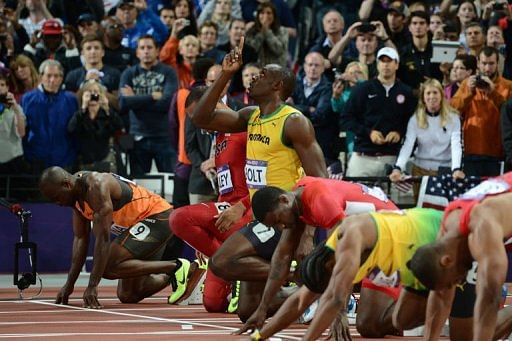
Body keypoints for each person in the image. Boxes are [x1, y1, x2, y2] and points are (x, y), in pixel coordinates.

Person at [190, 37, 327, 321]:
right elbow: (201, 119)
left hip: (286, 216)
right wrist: (226, 74)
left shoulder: (294, 121)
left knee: (222, 261)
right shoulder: (250, 116)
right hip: (260, 215)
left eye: (262, 75)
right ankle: (307, 288)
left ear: (277, 86)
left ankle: (312, 283)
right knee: (248, 311)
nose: (252, 78)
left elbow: (321, 181)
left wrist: (308, 234)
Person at [236, 175, 399, 333]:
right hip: (371, 240)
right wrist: (262, 309)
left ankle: (419, 307)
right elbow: (281, 258)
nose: (281, 227)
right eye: (275, 225)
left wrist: (339, 310)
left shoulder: (320, 199)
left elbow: (343, 255)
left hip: (392, 235)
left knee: (370, 324)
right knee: (368, 326)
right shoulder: (296, 202)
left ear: (284, 200)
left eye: (278, 219)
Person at [300, 208, 475, 341]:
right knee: (399, 321)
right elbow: (318, 297)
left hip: (449, 252)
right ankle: (456, 312)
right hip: (417, 256)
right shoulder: (339, 249)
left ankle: (488, 311)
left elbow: (334, 298)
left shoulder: (351, 237)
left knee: (465, 337)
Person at [39, 166, 195, 309]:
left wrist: (93, 286)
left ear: (67, 185)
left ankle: (176, 266)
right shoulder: (75, 199)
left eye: (56, 198)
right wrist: (69, 284)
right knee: (129, 295)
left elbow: (103, 240)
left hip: (157, 217)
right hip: (138, 230)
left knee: (107, 266)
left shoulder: (96, 186)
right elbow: (81, 240)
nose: (57, 203)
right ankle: (186, 272)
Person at [169, 86, 252, 311]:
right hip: (228, 209)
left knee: (178, 218)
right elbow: (227, 185)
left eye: (200, 115)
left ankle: (246, 268)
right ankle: (232, 264)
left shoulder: (245, 127)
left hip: (248, 213)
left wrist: (242, 206)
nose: (199, 122)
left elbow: (269, 182)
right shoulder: (219, 135)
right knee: (213, 304)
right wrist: (207, 235)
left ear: (214, 105)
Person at [408, 173, 512, 341]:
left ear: (447, 261)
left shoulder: (482, 227)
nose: (455, 284)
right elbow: (440, 295)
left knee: (490, 288)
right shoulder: (448, 226)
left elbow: (489, 298)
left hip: (496, 211)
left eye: (451, 282)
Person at [341, 46, 415, 177]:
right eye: (382, 61)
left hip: (392, 158)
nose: (385, 65)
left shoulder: (406, 92)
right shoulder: (363, 89)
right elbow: (346, 118)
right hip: (363, 157)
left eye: (389, 61)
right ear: (377, 64)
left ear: (396, 64)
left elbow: (412, 121)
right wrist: (368, 133)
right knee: (357, 196)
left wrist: (399, 132)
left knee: (392, 198)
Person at [389, 79, 464, 198]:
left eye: (435, 92)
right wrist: (398, 168)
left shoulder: (453, 118)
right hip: (420, 170)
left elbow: (456, 145)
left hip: (444, 170)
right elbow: (408, 145)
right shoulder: (415, 119)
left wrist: (456, 169)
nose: (432, 96)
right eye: (428, 93)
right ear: (423, 97)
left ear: (441, 95)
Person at [119, 35, 178, 176]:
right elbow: (123, 103)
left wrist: (135, 99)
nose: (146, 51)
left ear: (157, 51)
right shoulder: (128, 73)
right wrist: (152, 97)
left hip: (164, 136)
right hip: (138, 137)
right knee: (138, 186)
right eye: (142, 48)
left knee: (170, 182)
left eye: (150, 47)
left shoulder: (168, 72)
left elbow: (166, 104)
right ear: (137, 52)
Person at [450, 46, 512, 176]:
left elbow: (509, 114)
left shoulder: (508, 86)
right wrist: (469, 92)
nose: (487, 68)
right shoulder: (467, 83)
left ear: (497, 64)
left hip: (497, 151)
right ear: (478, 63)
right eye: (484, 63)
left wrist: (493, 92)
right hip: (471, 149)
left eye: (491, 64)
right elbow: (452, 110)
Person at [21, 59, 78, 171]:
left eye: (56, 76)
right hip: (35, 158)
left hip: (64, 159)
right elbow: (23, 129)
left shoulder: (70, 99)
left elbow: (75, 130)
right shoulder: (27, 99)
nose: (52, 80)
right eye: (48, 76)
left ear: (61, 78)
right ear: (41, 76)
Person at [67, 79, 124, 172]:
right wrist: (83, 108)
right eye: (89, 92)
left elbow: (120, 126)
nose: (93, 95)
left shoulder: (107, 113)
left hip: (106, 159)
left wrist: (107, 109)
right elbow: (71, 129)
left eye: (96, 92)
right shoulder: (80, 114)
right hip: (85, 160)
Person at [244, 2, 289, 67]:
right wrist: (262, 33)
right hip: (256, 70)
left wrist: (267, 31)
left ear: (274, 15)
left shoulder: (282, 31)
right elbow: (252, 50)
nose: (265, 16)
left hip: (276, 69)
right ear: (258, 15)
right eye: (262, 13)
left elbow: (279, 50)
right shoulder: (251, 31)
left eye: (269, 13)